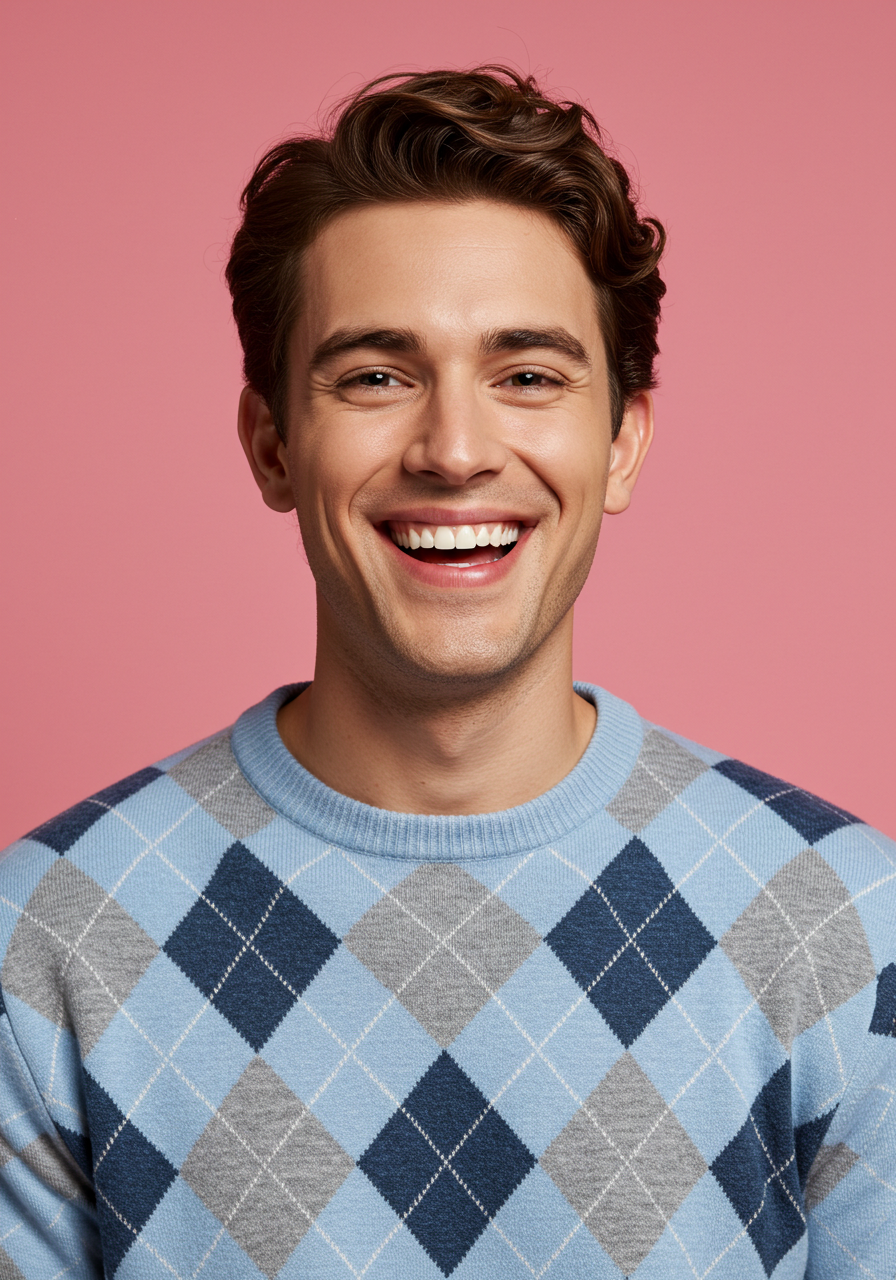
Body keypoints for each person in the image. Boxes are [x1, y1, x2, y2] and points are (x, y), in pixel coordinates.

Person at [0, 66, 893, 1280]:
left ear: (622, 441)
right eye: (376, 375)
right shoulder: (45, 939)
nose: (455, 450)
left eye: (526, 375)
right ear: (271, 443)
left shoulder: (841, 921)